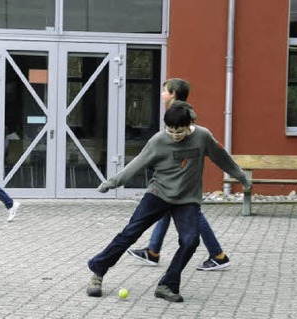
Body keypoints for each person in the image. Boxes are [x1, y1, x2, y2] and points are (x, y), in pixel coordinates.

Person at [86, 101, 251, 302]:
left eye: (179, 131)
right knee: (130, 233)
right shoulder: (158, 141)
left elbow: (223, 158)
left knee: (191, 241)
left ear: (190, 124)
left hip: (187, 200)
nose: (174, 135)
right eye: (170, 130)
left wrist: (242, 178)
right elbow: (136, 164)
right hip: (158, 194)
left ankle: (167, 285)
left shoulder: (203, 137)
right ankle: (98, 271)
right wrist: (111, 183)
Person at [127, 78, 233, 271]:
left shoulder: (181, 112)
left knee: (193, 215)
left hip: (184, 183)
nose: (161, 94)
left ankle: (218, 254)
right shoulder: (178, 110)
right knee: (166, 208)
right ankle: (153, 250)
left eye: (164, 90)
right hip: (173, 184)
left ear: (173, 93)